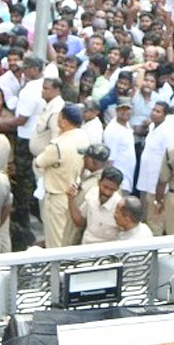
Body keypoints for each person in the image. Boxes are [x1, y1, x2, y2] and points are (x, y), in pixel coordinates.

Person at [35, 102, 87, 247]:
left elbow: (39, 162)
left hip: (57, 196)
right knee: (68, 238)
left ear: (64, 121)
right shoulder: (83, 136)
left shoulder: (58, 145)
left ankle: (57, 270)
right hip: (73, 194)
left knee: (55, 242)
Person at [67, 165, 124, 244]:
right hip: (86, 246)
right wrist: (71, 199)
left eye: (112, 189)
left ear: (117, 188)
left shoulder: (120, 206)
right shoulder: (92, 193)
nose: (107, 192)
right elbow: (79, 222)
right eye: (105, 187)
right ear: (99, 182)